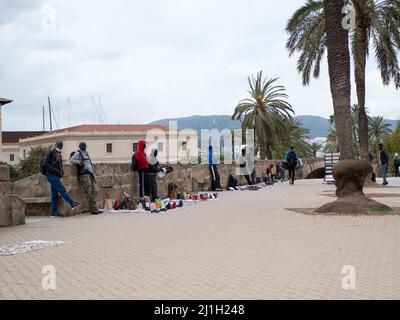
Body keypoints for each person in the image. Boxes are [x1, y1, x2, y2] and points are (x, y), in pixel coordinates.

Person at [42, 141, 80, 217]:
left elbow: (59, 165)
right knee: (62, 189)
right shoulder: (51, 152)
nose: (60, 146)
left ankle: (53, 213)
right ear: (56, 145)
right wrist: (54, 170)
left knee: (54, 195)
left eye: (61, 145)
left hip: (56, 175)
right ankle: (72, 203)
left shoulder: (58, 153)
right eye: (59, 145)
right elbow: (45, 164)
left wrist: (61, 172)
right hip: (51, 175)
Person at [69, 142, 102, 215]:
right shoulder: (78, 153)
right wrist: (79, 162)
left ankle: (94, 206)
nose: (84, 146)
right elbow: (71, 160)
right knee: (89, 192)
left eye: (84, 145)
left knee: (95, 190)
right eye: (82, 145)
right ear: (80, 146)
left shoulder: (86, 153)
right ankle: (92, 208)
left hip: (90, 174)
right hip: (84, 175)